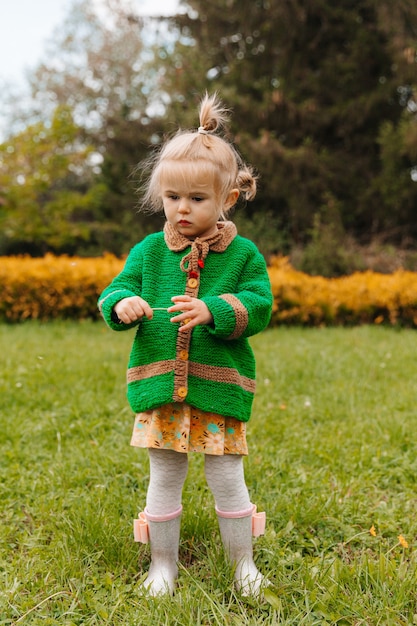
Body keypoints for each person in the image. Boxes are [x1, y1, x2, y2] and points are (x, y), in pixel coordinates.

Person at [98, 93, 273, 597]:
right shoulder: (150, 252)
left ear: (227, 200)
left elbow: (259, 305)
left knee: (227, 479)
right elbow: (119, 288)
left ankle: (244, 566)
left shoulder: (242, 255)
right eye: (173, 197)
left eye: (197, 199)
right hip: (161, 392)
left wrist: (214, 310)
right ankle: (162, 564)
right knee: (164, 478)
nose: (182, 209)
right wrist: (122, 304)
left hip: (218, 389)